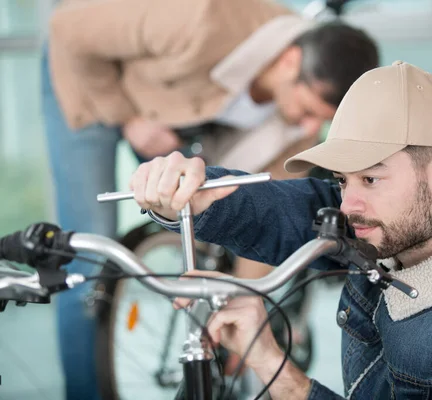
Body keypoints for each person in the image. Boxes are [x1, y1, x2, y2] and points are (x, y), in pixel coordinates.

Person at [129, 60, 432, 399]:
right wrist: (193, 192)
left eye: (371, 178)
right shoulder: (401, 223)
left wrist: (282, 376)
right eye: (343, 180)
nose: (348, 204)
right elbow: (292, 210)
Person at [41, 0, 379, 398]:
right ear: (290, 62)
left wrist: (246, 307)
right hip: (91, 74)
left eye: (321, 120)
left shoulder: (298, 120)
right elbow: (66, 31)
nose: (310, 128)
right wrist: (127, 117)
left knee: (208, 219)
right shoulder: (202, 19)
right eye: (308, 110)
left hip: (178, 122)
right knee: (92, 254)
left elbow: (264, 218)